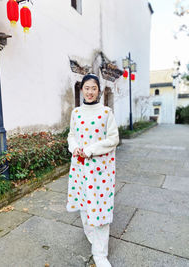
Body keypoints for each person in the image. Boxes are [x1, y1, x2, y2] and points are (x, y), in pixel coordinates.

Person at [66, 74, 119, 267]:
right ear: (82, 90)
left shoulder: (106, 113)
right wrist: (74, 147)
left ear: (99, 91)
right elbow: (71, 135)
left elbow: (113, 139)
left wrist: (89, 150)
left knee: (101, 209)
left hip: (101, 170)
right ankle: (91, 236)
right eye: (86, 88)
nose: (89, 91)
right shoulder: (76, 113)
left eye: (93, 88)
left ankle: (100, 253)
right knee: (84, 204)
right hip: (80, 168)